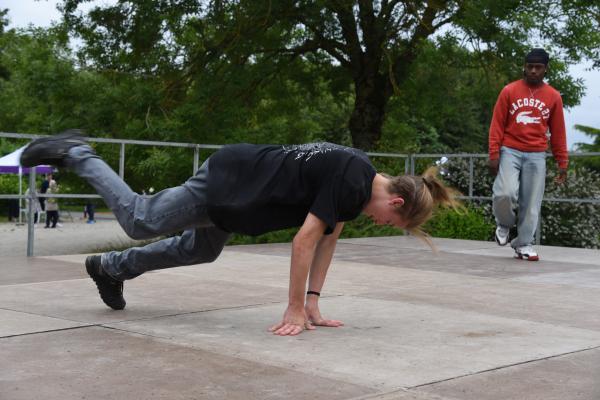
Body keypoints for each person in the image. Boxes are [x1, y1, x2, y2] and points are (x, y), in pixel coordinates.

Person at [21, 131, 459, 336]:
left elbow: (328, 239)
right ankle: (77, 153)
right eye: (392, 222)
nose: (383, 224)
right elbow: (304, 240)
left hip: (241, 198)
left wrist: (313, 304)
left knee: (200, 251)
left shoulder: (358, 181)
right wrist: (292, 310)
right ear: (396, 202)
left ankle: (111, 268)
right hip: (229, 183)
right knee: (141, 220)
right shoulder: (351, 179)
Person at [488, 48, 568, 261]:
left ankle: (523, 244)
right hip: (510, 150)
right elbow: (497, 124)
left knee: (531, 202)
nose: (533, 71)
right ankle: (504, 223)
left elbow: (558, 131)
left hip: (537, 154)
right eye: (529, 66)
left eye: (538, 67)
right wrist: (494, 152)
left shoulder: (553, 96)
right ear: (524, 67)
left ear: (545, 69)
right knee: (504, 193)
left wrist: (562, 161)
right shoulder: (509, 91)